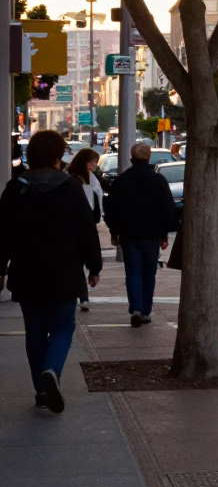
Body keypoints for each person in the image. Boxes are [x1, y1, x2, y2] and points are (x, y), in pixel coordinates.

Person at [0, 131, 102, 413]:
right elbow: (86, 231)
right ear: (58, 157)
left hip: (27, 270)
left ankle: (41, 390)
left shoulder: (15, 188)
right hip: (64, 271)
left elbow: (3, 234)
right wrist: (94, 266)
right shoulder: (70, 188)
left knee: (34, 330)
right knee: (61, 326)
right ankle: (52, 370)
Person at [104, 143, 176, 327]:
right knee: (149, 273)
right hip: (152, 235)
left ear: (131, 159)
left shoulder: (121, 181)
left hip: (129, 235)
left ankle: (136, 307)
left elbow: (111, 209)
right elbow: (168, 209)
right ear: (149, 157)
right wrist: (164, 234)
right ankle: (145, 310)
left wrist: (114, 232)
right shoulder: (158, 180)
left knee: (133, 272)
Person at [66, 148, 106, 311]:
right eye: (92, 161)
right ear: (84, 162)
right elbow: (98, 198)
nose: (95, 165)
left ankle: (82, 296)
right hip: (86, 220)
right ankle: (84, 296)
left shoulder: (69, 177)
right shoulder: (90, 179)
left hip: (71, 222)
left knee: (76, 262)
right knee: (84, 258)